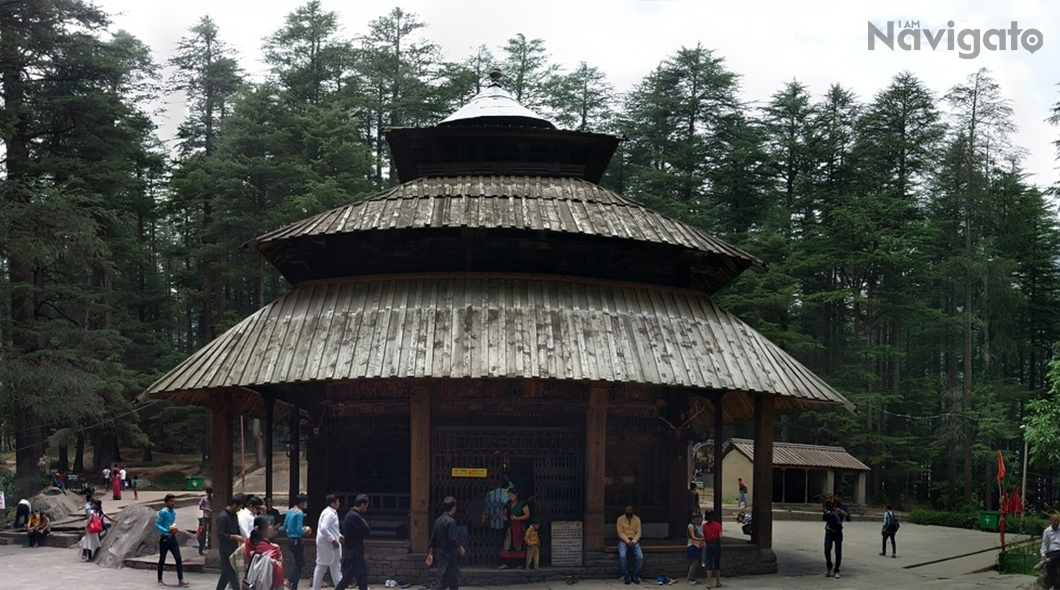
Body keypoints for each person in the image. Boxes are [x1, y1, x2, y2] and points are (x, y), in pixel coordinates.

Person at [427, 496, 465, 590]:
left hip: (441, 554)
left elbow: (433, 539)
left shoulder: (438, 521)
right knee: (445, 582)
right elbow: (453, 539)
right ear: (453, 508)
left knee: (453, 581)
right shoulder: (451, 522)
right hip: (449, 555)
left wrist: (431, 553)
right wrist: (460, 548)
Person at [336, 494, 371, 590]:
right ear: (363, 505)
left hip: (355, 552)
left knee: (362, 577)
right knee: (347, 579)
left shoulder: (351, 515)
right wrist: (363, 521)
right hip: (353, 554)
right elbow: (367, 530)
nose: (366, 509)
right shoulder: (354, 516)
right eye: (366, 506)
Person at [243, 514, 284, 590]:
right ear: (261, 529)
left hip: (252, 582)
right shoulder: (270, 549)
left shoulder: (249, 543)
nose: (272, 527)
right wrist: (280, 560)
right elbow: (278, 571)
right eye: (269, 525)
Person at [156, 493, 189, 587]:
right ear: (166, 502)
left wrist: (173, 528)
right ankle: (159, 579)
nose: (173, 503)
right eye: (171, 501)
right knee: (162, 559)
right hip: (165, 538)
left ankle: (180, 579)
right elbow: (157, 525)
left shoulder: (173, 512)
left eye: (174, 501)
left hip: (172, 538)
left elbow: (171, 522)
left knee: (178, 558)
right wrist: (166, 531)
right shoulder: (163, 512)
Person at [313, 494, 342, 590]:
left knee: (323, 567)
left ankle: (316, 588)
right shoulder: (329, 514)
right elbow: (324, 528)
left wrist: (339, 535)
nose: (339, 504)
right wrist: (333, 540)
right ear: (333, 503)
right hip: (328, 545)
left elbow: (332, 529)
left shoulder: (330, 512)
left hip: (325, 545)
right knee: (333, 568)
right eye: (337, 502)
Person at [215, 496, 245, 590]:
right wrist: (233, 536)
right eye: (239, 507)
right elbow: (220, 534)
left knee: (226, 572)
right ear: (234, 505)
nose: (239, 510)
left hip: (233, 547)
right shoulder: (223, 517)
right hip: (225, 548)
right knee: (231, 572)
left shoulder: (234, 515)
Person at [284, 494, 311, 590]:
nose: (306, 504)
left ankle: (291, 582)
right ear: (301, 503)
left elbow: (285, 526)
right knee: (300, 563)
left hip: (289, 540)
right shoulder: (299, 513)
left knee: (299, 562)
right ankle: (291, 582)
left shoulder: (290, 511)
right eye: (305, 502)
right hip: (296, 540)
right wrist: (306, 532)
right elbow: (299, 529)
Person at [498, 488, 530, 568]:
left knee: (519, 545)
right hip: (509, 527)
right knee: (507, 544)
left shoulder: (522, 504)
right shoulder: (508, 504)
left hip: (519, 527)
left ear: (516, 496)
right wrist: (504, 516)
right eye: (509, 495)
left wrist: (517, 519)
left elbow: (527, 515)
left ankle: (519, 564)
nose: (510, 497)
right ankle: (506, 563)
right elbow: (505, 513)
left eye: (511, 495)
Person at [617, 505, 644, 585]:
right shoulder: (620, 519)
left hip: (634, 540)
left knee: (640, 556)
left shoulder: (637, 519)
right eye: (627, 510)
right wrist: (627, 541)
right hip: (624, 540)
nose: (629, 512)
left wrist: (634, 541)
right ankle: (625, 575)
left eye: (630, 510)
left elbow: (639, 533)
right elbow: (620, 532)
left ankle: (636, 575)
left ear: (633, 511)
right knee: (622, 556)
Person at [823, 498, 848, 579]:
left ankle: (837, 570)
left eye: (838, 497)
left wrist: (843, 513)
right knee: (827, 550)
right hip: (829, 532)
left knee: (838, 552)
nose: (837, 499)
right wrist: (825, 513)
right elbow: (824, 518)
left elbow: (849, 518)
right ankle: (829, 565)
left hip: (838, 532)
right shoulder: (829, 505)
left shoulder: (843, 507)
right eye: (835, 497)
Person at [702, 511, 722, 589]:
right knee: (717, 564)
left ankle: (708, 583)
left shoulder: (704, 526)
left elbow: (703, 536)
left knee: (709, 563)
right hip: (716, 544)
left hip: (709, 544)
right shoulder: (718, 525)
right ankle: (718, 582)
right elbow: (720, 536)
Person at [1039, 514, 1060, 589]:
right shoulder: (1047, 531)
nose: (1057, 522)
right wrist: (1043, 554)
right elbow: (1044, 544)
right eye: (1055, 521)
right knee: (1052, 565)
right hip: (1052, 552)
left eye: (1058, 521)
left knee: (1051, 560)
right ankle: (1052, 586)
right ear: (1051, 521)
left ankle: (1049, 559)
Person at [686, 512, 704, 584]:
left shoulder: (696, 526)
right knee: (694, 563)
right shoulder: (691, 526)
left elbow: (699, 534)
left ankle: (693, 577)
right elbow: (693, 536)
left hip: (697, 545)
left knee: (697, 563)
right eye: (697, 519)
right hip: (692, 545)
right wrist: (701, 540)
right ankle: (689, 578)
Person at [199, 486, 214, 555]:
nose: (209, 494)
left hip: (212, 517)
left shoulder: (213, 499)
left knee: (211, 531)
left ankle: (209, 544)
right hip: (205, 516)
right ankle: (203, 544)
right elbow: (200, 507)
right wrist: (207, 509)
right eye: (208, 493)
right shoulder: (204, 499)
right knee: (204, 531)